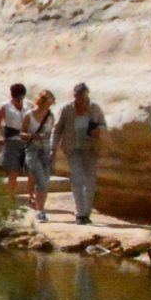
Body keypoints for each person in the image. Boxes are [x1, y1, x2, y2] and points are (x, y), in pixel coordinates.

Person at [55, 82, 106, 225]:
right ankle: (79, 213)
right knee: (77, 179)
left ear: (86, 96)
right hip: (73, 148)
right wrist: (53, 147)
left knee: (90, 181)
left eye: (81, 97)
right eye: (76, 97)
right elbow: (58, 128)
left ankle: (86, 213)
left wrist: (99, 130)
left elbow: (103, 125)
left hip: (91, 148)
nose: (79, 100)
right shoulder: (67, 109)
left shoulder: (95, 108)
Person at [20, 88, 57, 223]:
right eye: (48, 101)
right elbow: (22, 134)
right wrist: (33, 136)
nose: (50, 104)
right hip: (32, 149)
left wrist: (54, 149)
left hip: (46, 150)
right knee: (40, 179)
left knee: (44, 181)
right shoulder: (29, 115)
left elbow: (53, 133)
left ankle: (40, 208)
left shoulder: (50, 116)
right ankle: (40, 211)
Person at [0, 81, 29, 200]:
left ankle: (31, 196)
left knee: (30, 169)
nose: (19, 100)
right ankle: (11, 195)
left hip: (26, 140)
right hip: (12, 140)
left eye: (21, 97)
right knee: (13, 171)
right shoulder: (5, 106)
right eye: (17, 97)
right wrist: (0, 135)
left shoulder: (28, 105)